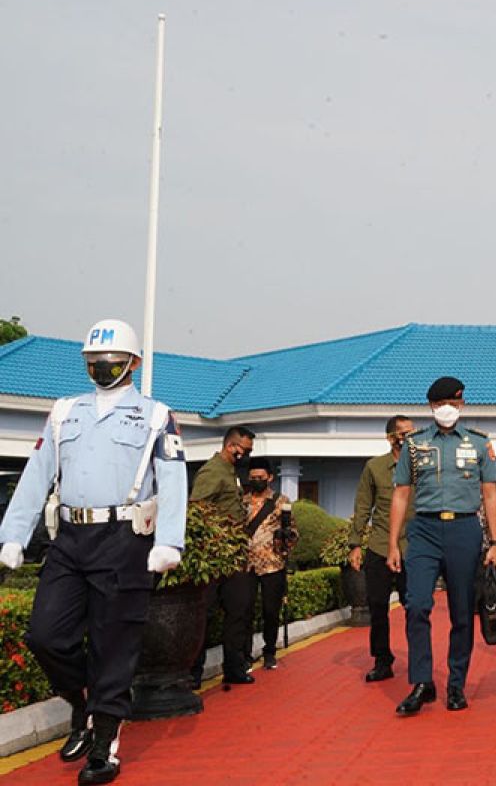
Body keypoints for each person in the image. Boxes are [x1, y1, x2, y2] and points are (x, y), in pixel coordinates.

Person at [0, 319, 187, 784]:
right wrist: (13, 535)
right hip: (70, 538)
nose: (103, 368)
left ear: (134, 363)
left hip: (124, 539)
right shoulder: (65, 411)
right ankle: (83, 704)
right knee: (45, 634)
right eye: (94, 361)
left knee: (114, 642)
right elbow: (38, 471)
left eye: (112, 361)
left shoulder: (156, 415)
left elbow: (174, 480)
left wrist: (168, 541)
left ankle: (104, 743)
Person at [387, 377, 496, 715]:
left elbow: (491, 494)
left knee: (462, 611)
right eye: (439, 405)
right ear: (431, 407)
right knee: (417, 604)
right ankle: (422, 682)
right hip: (423, 530)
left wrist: (495, 541)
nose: (446, 410)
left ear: (462, 404)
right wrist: (393, 543)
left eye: (452, 403)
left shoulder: (479, 443)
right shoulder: (414, 444)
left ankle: (456, 684)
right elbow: (401, 494)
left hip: (465, 529)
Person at [190, 425, 256, 687]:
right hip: (215, 556)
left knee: (238, 611)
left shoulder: (230, 473)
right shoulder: (212, 471)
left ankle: (234, 668)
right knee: (203, 614)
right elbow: (195, 511)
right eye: (246, 450)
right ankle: (192, 673)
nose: (247, 456)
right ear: (231, 446)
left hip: (234, 556)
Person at [349, 415, 412, 683]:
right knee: (377, 606)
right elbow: (363, 506)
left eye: (413, 432)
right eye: (404, 433)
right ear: (391, 438)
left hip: (414, 547)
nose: (409, 437)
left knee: (416, 607)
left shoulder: (423, 466)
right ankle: (382, 660)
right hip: (380, 545)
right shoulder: (374, 467)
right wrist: (355, 545)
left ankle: (419, 660)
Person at [240, 459, 296, 671]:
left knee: (271, 610)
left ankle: (269, 651)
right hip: (246, 564)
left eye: (261, 478)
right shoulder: (242, 502)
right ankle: (245, 654)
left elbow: (293, 531)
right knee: (244, 610)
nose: (257, 481)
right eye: (253, 478)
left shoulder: (281, 502)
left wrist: (286, 538)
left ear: (270, 478)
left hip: (272, 564)